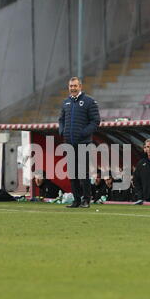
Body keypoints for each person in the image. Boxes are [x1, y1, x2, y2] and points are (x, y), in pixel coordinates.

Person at [58, 76, 100, 208]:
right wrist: (62, 131)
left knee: (83, 172)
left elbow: (95, 121)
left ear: (80, 86)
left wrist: (83, 133)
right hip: (69, 143)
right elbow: (61, 119)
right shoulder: (66, 103)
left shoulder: (89, 101)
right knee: (72, 173)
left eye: (75, 86)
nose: (73, 88)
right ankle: (76, 200)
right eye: (71, 86)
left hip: (83, 143)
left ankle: (86, 200)